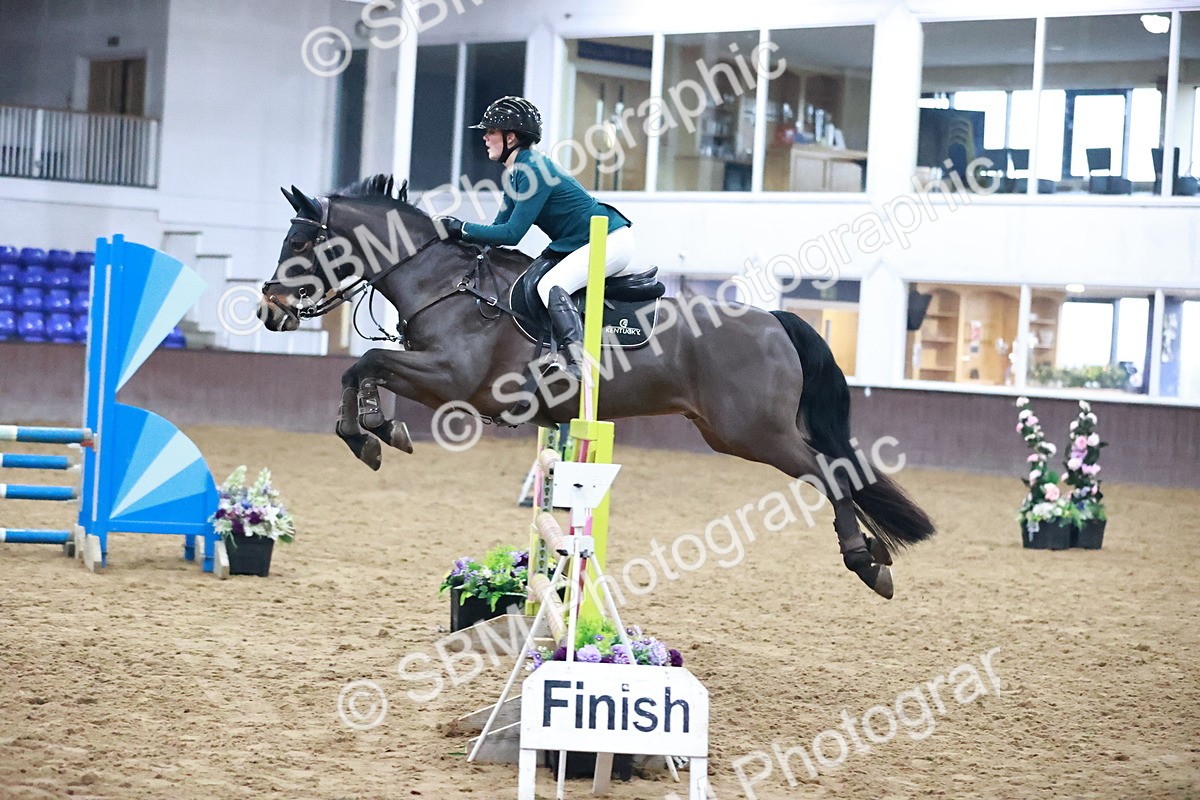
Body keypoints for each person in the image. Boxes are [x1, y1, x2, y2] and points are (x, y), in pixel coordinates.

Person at [436, 96, 633, 380]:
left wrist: (461, 227)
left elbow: (512, 235)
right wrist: (460, 237)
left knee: (551, 284)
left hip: (610, 241)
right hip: (580, 243)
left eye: (490, 131)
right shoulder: (515, 174)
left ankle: (580, 362)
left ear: (511, 137)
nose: (485, 138)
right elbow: (498, 230)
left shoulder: (534, 171)